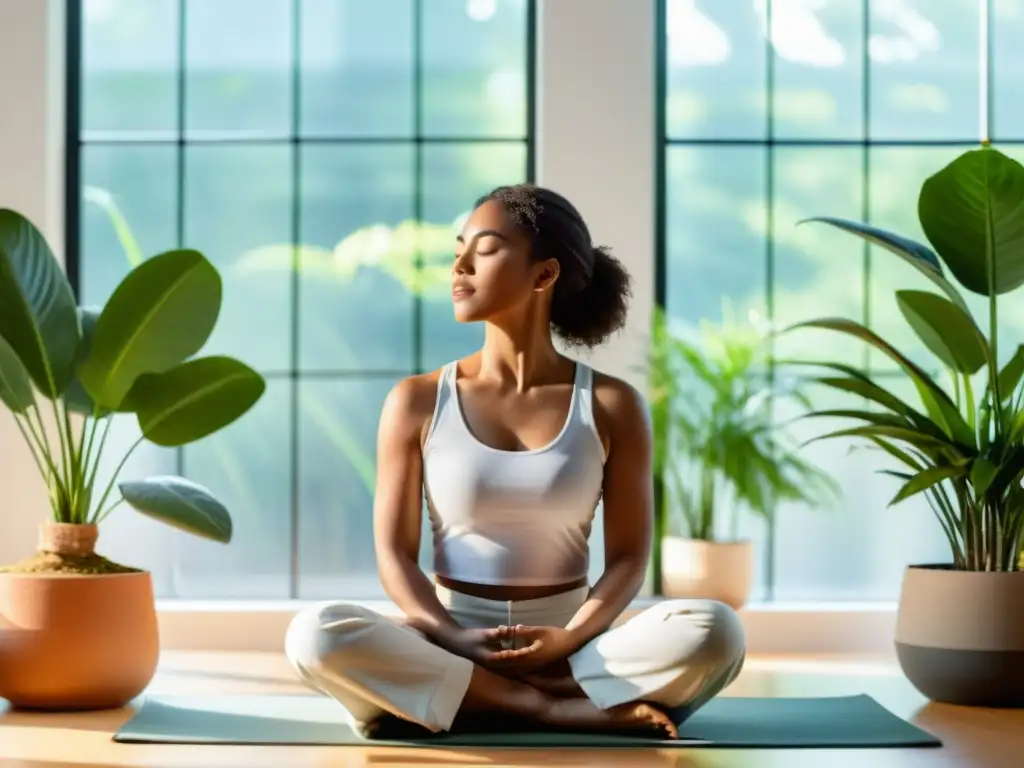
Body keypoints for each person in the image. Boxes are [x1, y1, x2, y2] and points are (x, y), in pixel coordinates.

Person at [284, 183, 746, 739]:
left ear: (543, 275)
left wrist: (570, 639)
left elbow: (628, 559)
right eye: (459, 247)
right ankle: (549, 707)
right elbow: (394, 555)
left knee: (717, 631)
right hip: (452, 635)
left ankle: (457, 698)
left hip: (572, 641)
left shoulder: (612, 405)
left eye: (483, 248)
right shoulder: (416, 402)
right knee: (315, 634)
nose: (458, 264)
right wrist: (451, 637)